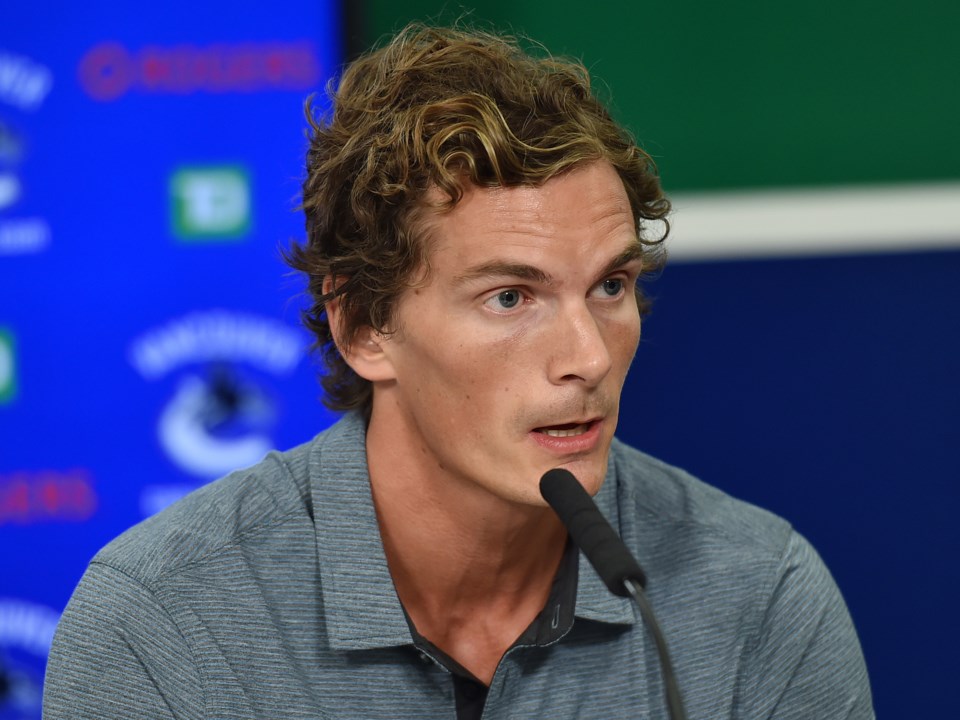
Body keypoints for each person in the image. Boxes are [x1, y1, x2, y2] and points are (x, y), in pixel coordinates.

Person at [43, 24, 873, 719]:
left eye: (610, 286)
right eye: (511, 297)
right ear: (364, 325)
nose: (587, 357)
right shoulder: (163, 626)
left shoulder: (757, 596)